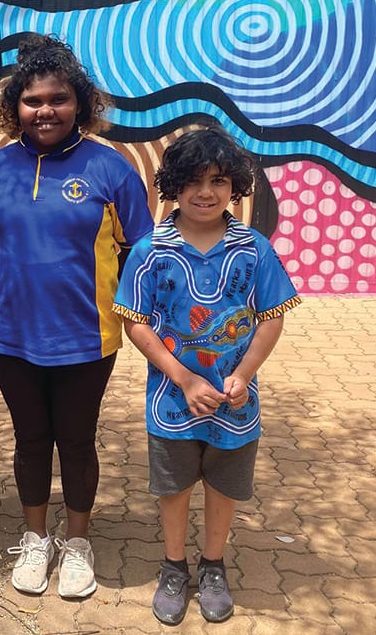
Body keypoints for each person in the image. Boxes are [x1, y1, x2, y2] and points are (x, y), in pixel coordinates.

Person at [0, 35, 153, 598]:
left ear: (81, 104)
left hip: (87, 338)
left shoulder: (110, 169)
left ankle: (76, 544)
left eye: (58, 98)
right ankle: (34, 538)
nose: (45, 110)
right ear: (14, 108)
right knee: (29, 439)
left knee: (75, 440)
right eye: (32, 100)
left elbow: (136, 250)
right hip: (13, 336)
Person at [113, 125, 302, 623]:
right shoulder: (150, 251)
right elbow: (135, 324)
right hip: (171, 403)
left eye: (219, 180)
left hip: (235, 405)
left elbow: (272, 314)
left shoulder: (253, 249)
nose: (205, 192)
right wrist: (184, 377)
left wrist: (243, 373)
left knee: (223, 486)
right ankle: (174, 566)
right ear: (173, 184)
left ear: (235, 187)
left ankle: (213, 564)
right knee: (174, 487)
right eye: (193, 180)